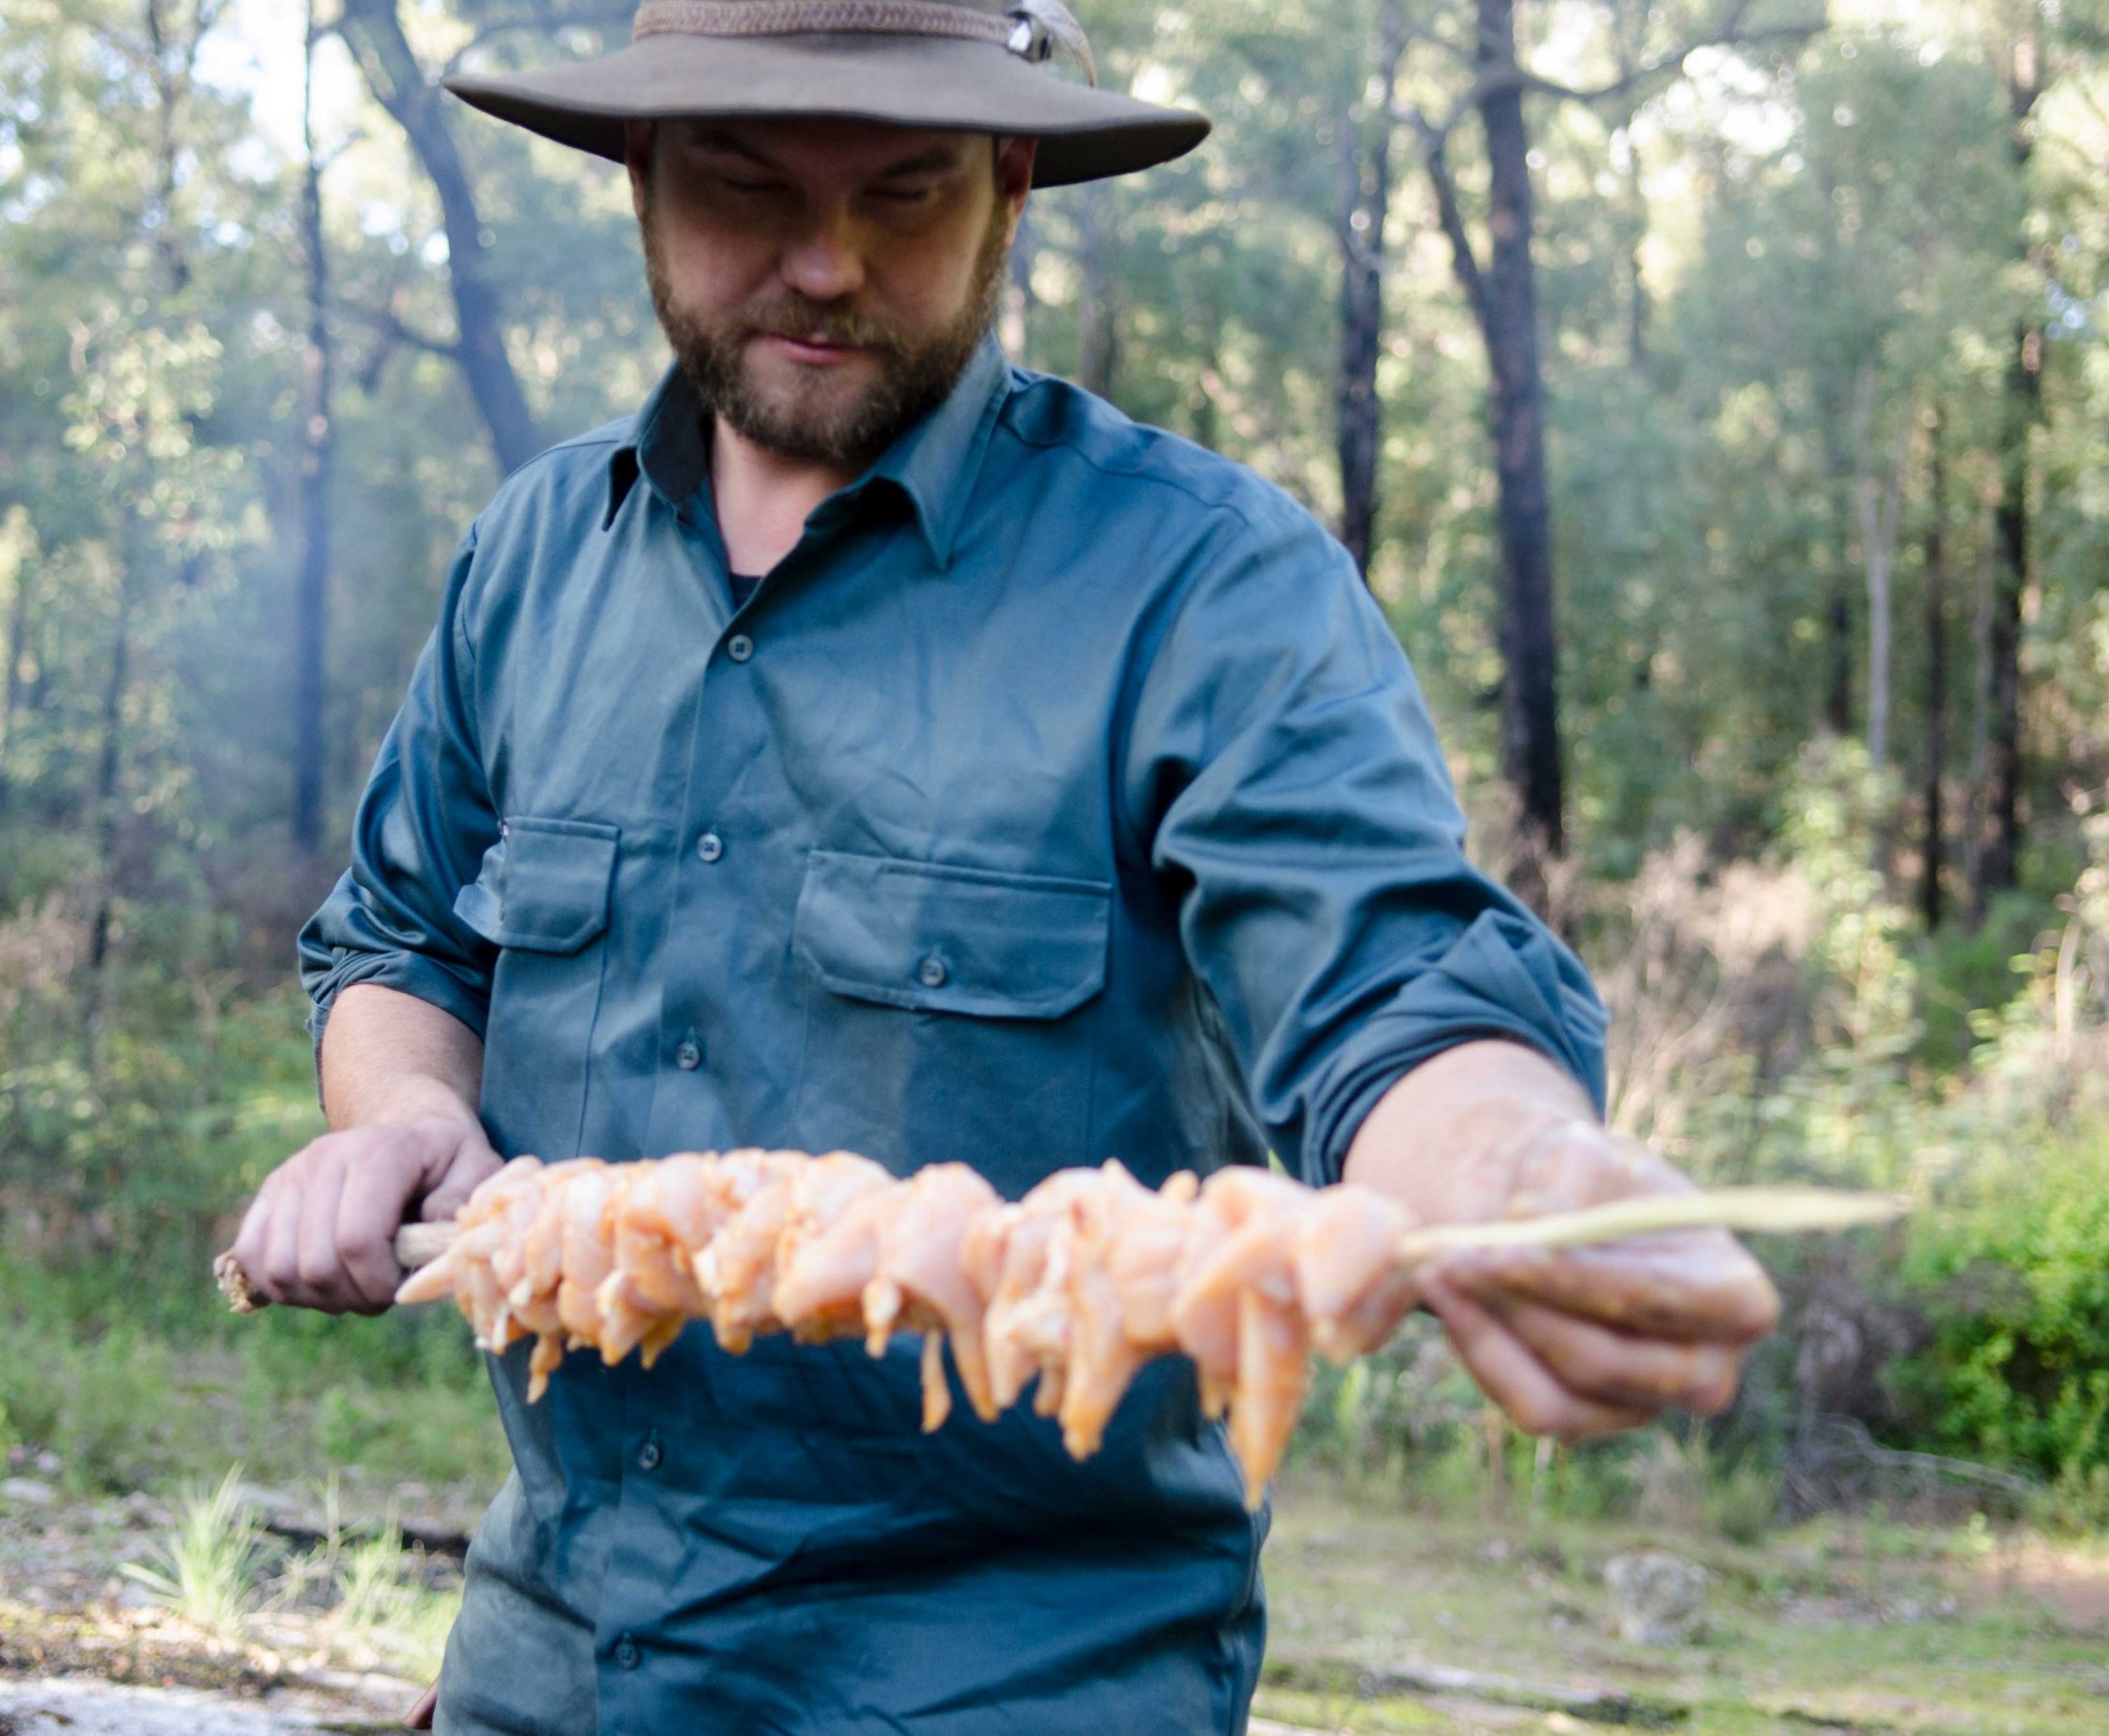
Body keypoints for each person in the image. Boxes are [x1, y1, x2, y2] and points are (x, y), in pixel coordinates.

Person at [225, 3, 1779, 1730]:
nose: (827, 264)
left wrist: (1518, 1171)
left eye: (905, 193)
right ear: (645, 179)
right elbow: (402, 940)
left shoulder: (1208, 583)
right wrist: (405, 1115)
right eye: (749, 187)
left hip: (1010, 1682)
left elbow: (1391, 983)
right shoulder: (531, 559)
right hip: (551, 1663)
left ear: (1013, 183)